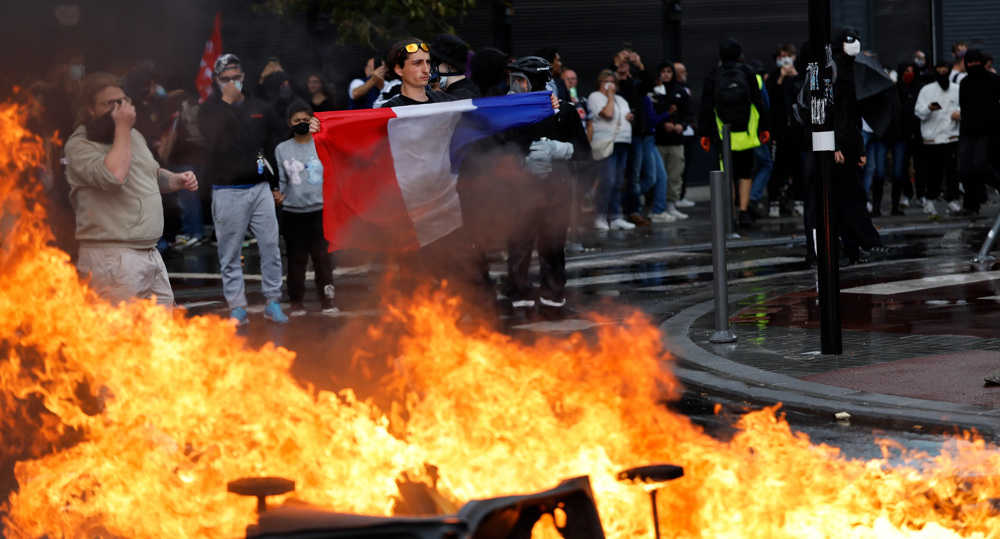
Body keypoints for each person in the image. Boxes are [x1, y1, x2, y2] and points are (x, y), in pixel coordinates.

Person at [64, 72, 198, 307]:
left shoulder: (132, 134)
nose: (120, 109)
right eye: (110, 104)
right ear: (89, 108)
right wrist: (122, 128)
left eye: (123, 101)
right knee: (118, 338)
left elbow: (150, 173)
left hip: (149, 253)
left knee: (162, 337)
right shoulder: (80, 145)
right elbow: (114, 176)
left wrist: (175, 179)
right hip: (112, 258)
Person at [198, 53, 289, 325]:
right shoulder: (208, 109)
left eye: (236, 78)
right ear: (216, 81)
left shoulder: (259, 106)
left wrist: (275, 185)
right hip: (226, 189)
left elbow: (272, 146)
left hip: (260, 186)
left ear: (244, 77)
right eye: (225, 79)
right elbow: (212, 143)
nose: (231, 83)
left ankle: (273, 301)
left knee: (271, 246)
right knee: (229, 252)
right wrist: (226, 103)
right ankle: (237, 306)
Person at [503, 56, 590, 322]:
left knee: (553, 248)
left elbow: (585, 153)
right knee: (519, 248)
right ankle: (521, 302)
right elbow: (495, 150)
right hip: (521, 195)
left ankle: (553, 302)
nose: (516, 86)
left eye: (521, 80)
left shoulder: (564, 111)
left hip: (557, 194)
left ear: (537, 81)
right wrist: (521, 161)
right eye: (514, 80)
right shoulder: (508, 112)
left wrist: (559, 149)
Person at [698, 38, 771, 228]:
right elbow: (758, 102)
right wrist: (764, 127)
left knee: (726, 173)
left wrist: (704, 134)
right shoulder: (748, 72)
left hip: (723, 134)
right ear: (739, 54)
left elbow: (705, 106)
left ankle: (729, 215)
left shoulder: (713, 75)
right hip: (746, 133)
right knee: (746, 173)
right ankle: (744, 212)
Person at [275, 100, 337, 315]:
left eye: (305, 120)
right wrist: (278, 194)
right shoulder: (282, 149)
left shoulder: (323, 142)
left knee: (323, 260)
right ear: (289, 123)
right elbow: (281, 180)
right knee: (296, 261)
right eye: (296, 120)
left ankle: (327, 300)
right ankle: (296, 302)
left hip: (321, 212)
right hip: (293, 213)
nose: (301, 123)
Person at [954, 49, 1000, 217]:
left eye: (976, 62)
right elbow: (964, 105)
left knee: (981, 165)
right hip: (969, 131)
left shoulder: (993, 80)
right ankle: (971, 204)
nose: (973, 66)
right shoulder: (965, 83)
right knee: (965, 169)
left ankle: (975, 200)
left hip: (989, 131)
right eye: (970, 63)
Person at [588, 69, 635, 231]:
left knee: (619, 182)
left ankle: (615, 216)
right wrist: (610, 96)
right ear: (600, 83)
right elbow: (607, 114)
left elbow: (627, 116)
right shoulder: (595, 97)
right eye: (606, 81)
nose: (610, 85)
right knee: (607, 181)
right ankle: (599, 216)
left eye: (613, 81)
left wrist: (631, 119)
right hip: (606, 143)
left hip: (623, 143)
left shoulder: (620, 99)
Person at [913, 60, 961, 216]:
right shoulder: (927, 90)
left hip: (951, 137)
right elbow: (918, 111)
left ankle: (953, 201)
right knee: (933, 173)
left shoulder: (956, 89)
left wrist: (959, 113)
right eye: (939, 69)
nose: (942, 71)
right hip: (932, 139)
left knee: (952, 172)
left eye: (944, 69)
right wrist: (929, 108)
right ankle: (930, 201)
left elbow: (965, 106)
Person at [654, 61, 693, 221]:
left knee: (675, 175)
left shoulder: (680, 91)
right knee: (659, 176)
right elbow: (651, 114)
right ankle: (659, 207)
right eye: (663, 71)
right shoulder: (655, 92)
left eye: (668, 71)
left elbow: (687, 113)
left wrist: (681, 126)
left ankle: (671, 205)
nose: (666, 74)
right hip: (659, 140)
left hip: (676, 140)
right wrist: (663, 124)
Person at [382, 39, 457, 107]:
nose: (426, 70)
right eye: (417, 63)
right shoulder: (392, 109)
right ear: (399, 69)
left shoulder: (445, 100)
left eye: (428, 62)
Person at [428, 34, 482, 99]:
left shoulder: (458, 97)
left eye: (432, 62)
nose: (427, 68)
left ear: (449, 66)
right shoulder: (469, 89)